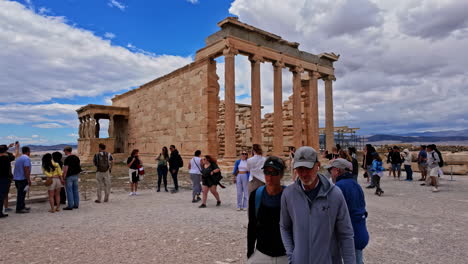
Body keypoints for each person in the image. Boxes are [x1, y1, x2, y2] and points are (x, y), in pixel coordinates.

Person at [280, 146, 355, 263]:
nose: (304, 174)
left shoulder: (335, 194)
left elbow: (346, 234)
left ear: (318, 165)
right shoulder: (288, 194)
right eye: (300, 169)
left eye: (308, 168)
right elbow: (284, 227)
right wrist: (291, 256)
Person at [327, 158, 369, 264]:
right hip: (360, 232)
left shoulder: (339, 187)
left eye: (330, 171)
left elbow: (332, 214)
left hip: (349, 236)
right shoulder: (356, 185)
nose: (330, 174)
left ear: (337, 170)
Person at [247, 156, 287, 263]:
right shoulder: (256, 195)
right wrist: (250, 252)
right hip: (262, 253)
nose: (269, 177)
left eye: (274, 173)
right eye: (266, 172)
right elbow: (252, 225)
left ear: (281, 174)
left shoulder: (289, 196)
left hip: (285, 254)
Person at [13, 146, 32, 213]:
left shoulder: (19, 158)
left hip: (17, 178)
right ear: (28, 151)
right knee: (21, 194)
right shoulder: (26, 159)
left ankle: (22, 206)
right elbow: (26, 169)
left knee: (21, 193)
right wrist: (28, 179)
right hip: (22, 179)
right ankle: (19, 208)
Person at [0, 144, 16, 218]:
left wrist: (7, 148)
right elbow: (13, 156)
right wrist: (9, 148)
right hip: (5, 179)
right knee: (2, 195)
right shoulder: (6, 158)